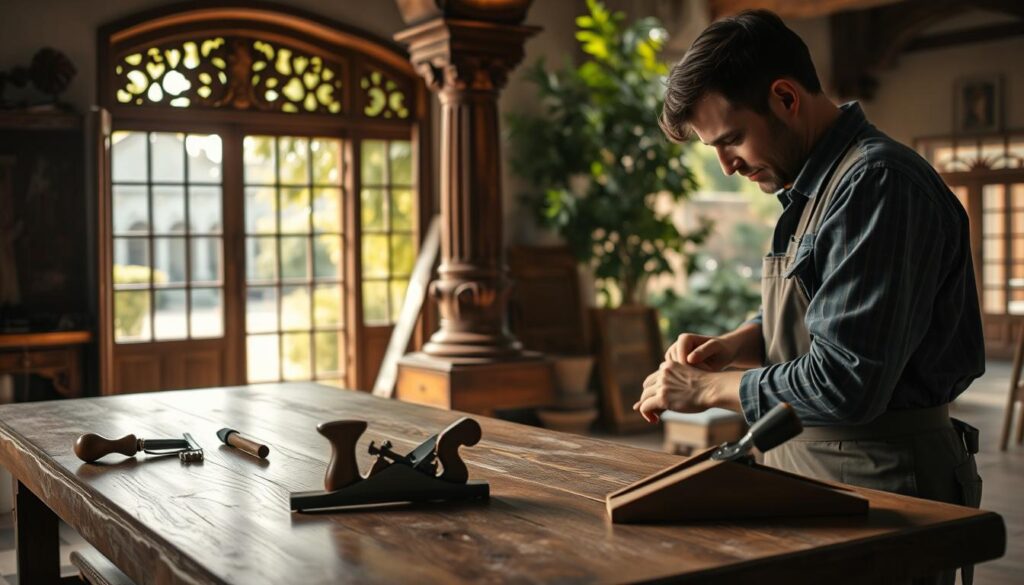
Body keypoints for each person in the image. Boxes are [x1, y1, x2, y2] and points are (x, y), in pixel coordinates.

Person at [637, 10, 984, 584]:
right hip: (816, 472)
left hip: (883, 481)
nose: (727, 168)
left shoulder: (877, 184)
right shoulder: (814, 185)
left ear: (785, 97)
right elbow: (826, 308)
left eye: (731, 140)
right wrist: (736, 345)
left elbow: (847, 380)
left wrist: (705, 389)